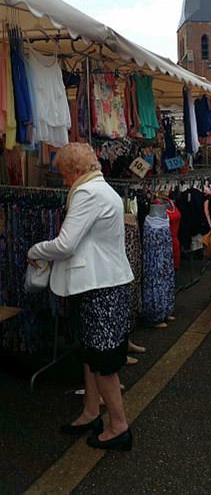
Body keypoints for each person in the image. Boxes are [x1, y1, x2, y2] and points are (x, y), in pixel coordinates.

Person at [28, 143, 134, 451]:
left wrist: (34, 250)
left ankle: (118, 426)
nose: (62, 181)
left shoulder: (87, 194)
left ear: (75, 172)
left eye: (63, 174)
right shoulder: (101, 189)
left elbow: (65, 244)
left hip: (98, 286)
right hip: (102, 282)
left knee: (103, 360)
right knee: (93, 355)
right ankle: (91, 412)